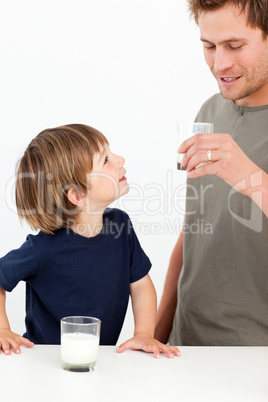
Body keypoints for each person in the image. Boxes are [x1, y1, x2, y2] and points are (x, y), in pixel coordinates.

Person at [0, 124, 180, 358]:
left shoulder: (120, 226)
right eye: (105, 160)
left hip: (97, 360)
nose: (120, 159)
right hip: (46, 361)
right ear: (78, 195)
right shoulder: (42, 249)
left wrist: (144, 333)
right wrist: (3, 329)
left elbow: (140, 284)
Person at [155, 0, 268, 346]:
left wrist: (249, 176)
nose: (220, 64)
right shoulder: (210, 109)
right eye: (209, 46)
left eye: (235, 46)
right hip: (184, 343)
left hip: (251, 356)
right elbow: (193, 232)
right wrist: (154, 334)